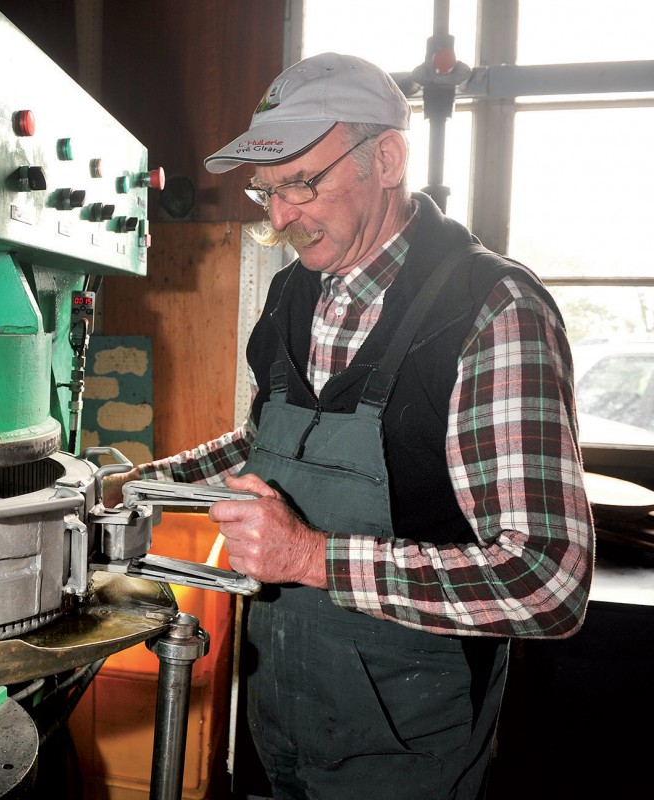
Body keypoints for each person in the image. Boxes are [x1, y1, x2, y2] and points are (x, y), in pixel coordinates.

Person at [106, 52, 593, 799]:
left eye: (302, 183)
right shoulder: (293, 292)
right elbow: (265, 442)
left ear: (388, 159)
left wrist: (311, 558)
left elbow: (547, 583)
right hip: (280, 709)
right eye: (266, 190)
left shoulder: (491, 312)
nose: (278, 218)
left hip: (408, 745)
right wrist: (142, 487)